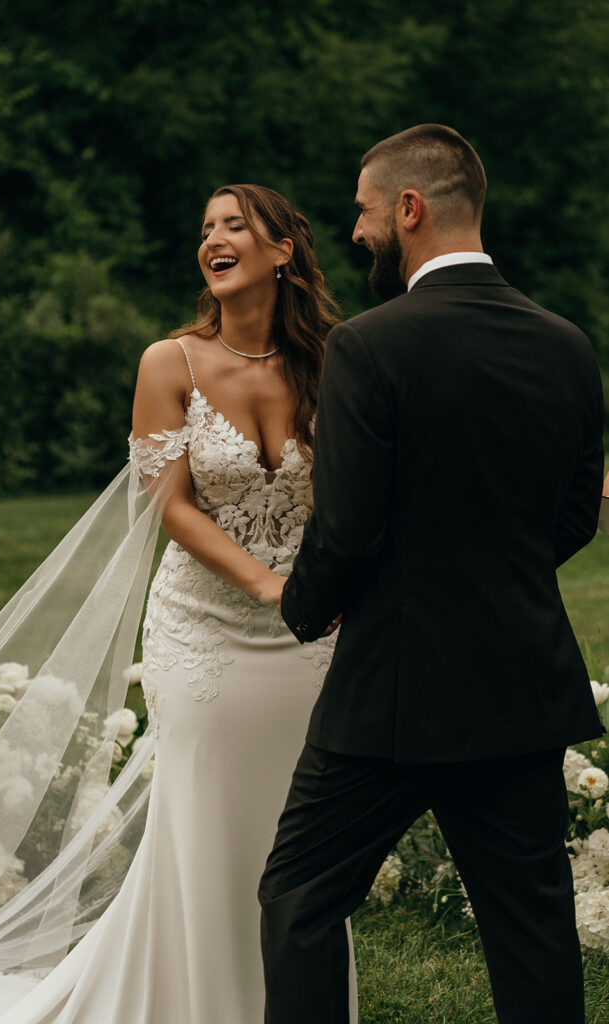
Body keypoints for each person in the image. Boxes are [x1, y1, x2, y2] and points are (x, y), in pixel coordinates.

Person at [0, 185, 357, 1023]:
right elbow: (168, 505)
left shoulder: (332, 359)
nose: (213, 238)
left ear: (282, 252)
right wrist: (266, 584)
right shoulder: (166, 362)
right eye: (205, 227)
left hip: (310, 638)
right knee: (205, 827)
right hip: (205, 632)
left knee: (299, 835)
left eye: (234, 225)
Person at [258, 124, 605, 1024]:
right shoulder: (565, 343)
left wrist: (305, 610)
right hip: (516, 690)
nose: (357, 230)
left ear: (410, 209)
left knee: (298, 900)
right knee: (532, 927)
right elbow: (573, 514)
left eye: (366, 212)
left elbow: (346, 530)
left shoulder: (370, 347)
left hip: (389, 698)